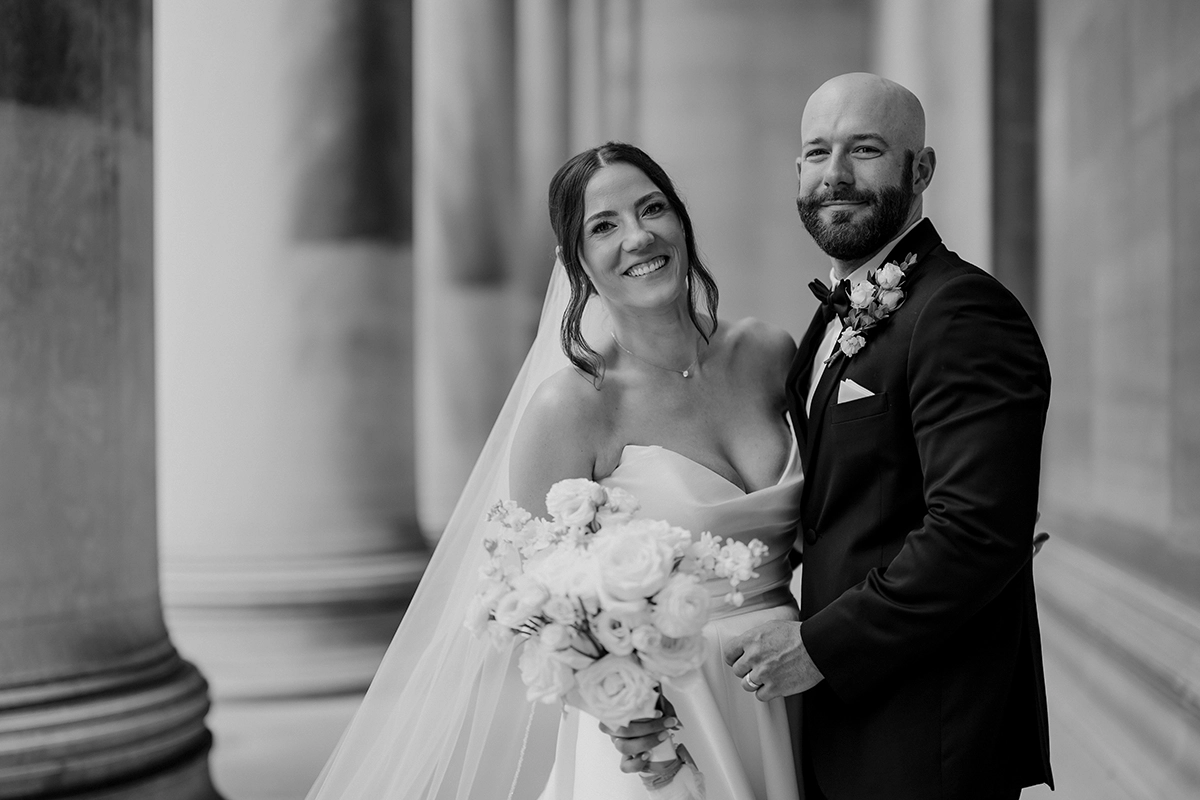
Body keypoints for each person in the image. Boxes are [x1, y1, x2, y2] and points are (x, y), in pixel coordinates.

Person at [306, 142, 804, 800]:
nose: (638, 236)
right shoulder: (570, 409)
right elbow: (531, 605)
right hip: (665, 728)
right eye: (604, 226)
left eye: (653, 209)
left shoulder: (769, 352)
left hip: (794, 685)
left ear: (682, 223)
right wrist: (626, 716)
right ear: (578, 263)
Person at [724, 72, 1055, 799]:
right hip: (847, 722)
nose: (835, 176)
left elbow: (972, 533)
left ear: (922, 169)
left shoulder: (962, 312)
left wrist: (817, 647)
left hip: (925, 737)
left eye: (865, 149)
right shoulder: (833, 319)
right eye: (817, 153)